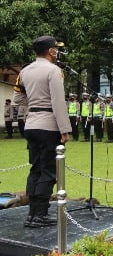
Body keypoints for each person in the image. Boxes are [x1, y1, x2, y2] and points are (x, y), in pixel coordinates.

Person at [12, 36, 72, 228]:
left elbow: (17, 99)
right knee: (49, 171)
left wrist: (35, 105)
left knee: (36, 169)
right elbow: (57, 102)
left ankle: (32, 213)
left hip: (31, 124)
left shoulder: (25, 70)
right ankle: (40, 214)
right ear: (50, 51)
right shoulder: (54, 71)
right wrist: (65, 129)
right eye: (56, 48)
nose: (58, 51)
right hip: (49, 126)